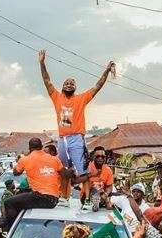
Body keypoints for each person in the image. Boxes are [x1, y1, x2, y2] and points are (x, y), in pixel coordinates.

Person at [39, 49, 114, 205]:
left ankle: (86, 200)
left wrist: (106, 71)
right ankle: (64, 198)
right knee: (64, 170)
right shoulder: (56, 97)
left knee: (83, 171)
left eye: (72, 83)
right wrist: (42, 63)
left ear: (75, 87)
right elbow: (47, 80)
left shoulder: (81, 98)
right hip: (62, 139)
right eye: (66, 83)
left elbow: (97, 86)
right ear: (62, 86)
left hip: (76, 138)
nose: (69, 84)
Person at [0, 138, 69, 232]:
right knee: (20, 200)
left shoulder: (26, 159)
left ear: (29, 148)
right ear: (41, 147)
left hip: (41, 197)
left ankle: (10, 229)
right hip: (54, 199)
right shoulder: (54, 159)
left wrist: (25, 159)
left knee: (9, 203)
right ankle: (8, 221)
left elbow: (16, 172)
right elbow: (65, 174)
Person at [80, 146, 114, 211]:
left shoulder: (108, 170)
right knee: (95, 190)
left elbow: (109, 186)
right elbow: (78, 180)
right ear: (93, 157)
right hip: (86, 197)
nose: (100, 158)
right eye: (97, 156)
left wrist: (105, 194)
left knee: (105, 192)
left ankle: (100, 203)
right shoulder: (87, 167)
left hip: (101, 197)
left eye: (102, 156)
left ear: (105, 157)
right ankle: (90, 203)